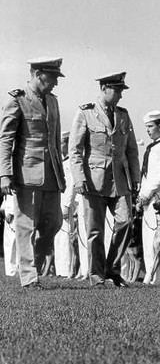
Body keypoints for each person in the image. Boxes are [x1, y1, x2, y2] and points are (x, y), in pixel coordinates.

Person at [69, 71, 140, 287]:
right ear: (104, 89)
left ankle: (112, 269)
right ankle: (96, 276)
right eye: (117, 90)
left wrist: (135, 178)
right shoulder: (85, 114)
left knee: (125, 221)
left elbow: (132, 150)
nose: (120, 95)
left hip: (120, 180)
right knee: (95, 230)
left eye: (121, 91)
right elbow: (75, 149)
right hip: (93, 179)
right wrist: (79, 178)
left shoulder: (124, 115)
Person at [0, 57, 66, 288]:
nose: (56, 82)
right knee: (26, 226)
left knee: (55, 222)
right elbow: (6, 139)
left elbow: (56, 142)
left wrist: (61, 175)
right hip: (26, 172)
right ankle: (29, 277)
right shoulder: (17, 100)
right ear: (38, 74)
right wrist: (5, 174)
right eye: (53, 77)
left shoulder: (53, 101)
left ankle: (32, 264)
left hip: (51, 174)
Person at [136, 110, 160, 284]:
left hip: (158, 195)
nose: (148, 130)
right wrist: (141, 195)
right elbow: (147, 175)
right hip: (148, 196)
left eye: (150, 126)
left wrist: (146, 194)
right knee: (149, 239)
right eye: (146, 127)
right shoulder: (153, 146)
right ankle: (150, 277)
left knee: (159, 238)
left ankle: (157, 279)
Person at [54, 130, 80, 278]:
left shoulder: (71, 161)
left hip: (67, 203)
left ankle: (68, 270)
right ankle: (61, 269)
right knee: (59, 237)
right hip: (60, 201)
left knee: (67, 239)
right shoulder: (64, 161)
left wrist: (67, 204)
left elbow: (71, 185)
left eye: (62, 142)